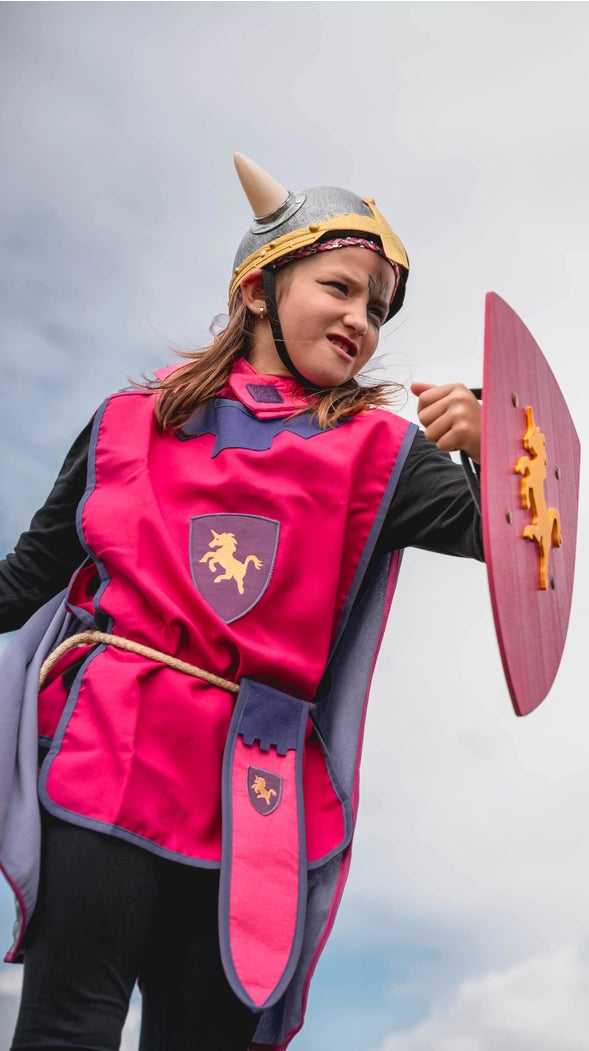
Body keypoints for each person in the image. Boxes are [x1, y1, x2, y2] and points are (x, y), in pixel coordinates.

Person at [0, 154, 487, 1050]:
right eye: (340, 287)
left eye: (377, 308)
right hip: (109, 748)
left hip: (256, 790)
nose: (361, 320)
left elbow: (508, 539)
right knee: (67, 1030)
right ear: (259, 291)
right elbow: (23, 582)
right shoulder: (128, 423)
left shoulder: (381, 453)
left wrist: (492, 443)